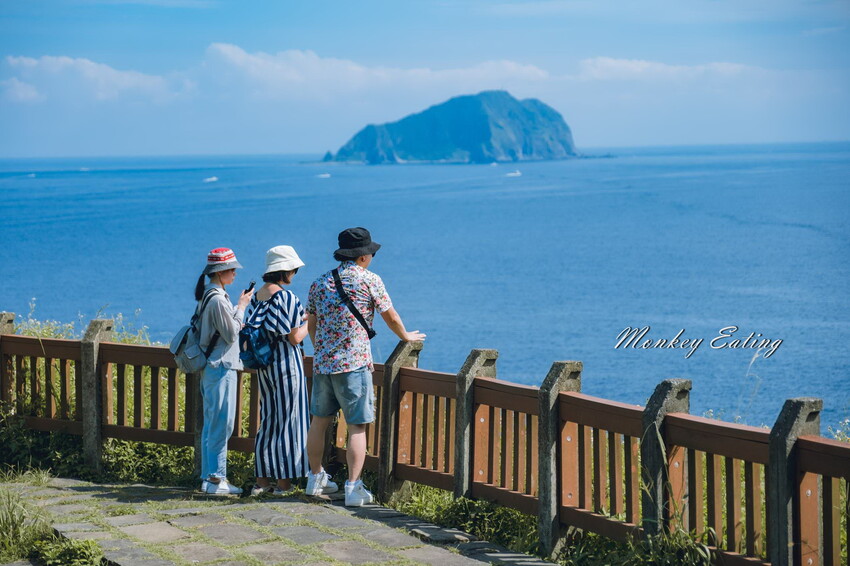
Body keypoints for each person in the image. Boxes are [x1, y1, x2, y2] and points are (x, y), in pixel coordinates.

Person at [305, 227, 425, 506]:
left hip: (324, 363)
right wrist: (406, 336)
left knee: (319, 422)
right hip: (354, 363)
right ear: (362, 256)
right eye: (370, 253)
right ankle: (353, 486)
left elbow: (312, 322)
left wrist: (321, 350)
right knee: (357, 426)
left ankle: (315, 478)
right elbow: (390, 316)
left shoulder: (320, 282)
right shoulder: (369, 280)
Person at [245, 246, 337, 496]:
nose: (295, 274)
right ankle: (283, 484)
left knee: (268, 421)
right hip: (286, 364)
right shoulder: (286, 297)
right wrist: (311, 319)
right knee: (289, 423)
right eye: (293, 270)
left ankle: (261, 482)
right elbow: (294, 337)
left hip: (265, 365)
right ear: (285, 271)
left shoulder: (258, 296)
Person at [196, 247, 253, 496]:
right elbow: (230, 334)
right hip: (221, 366)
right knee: (222, 424)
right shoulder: (218, 299)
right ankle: (216, 479)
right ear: (220, 272)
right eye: (232, 270)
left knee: (212, 424)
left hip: (212, 367)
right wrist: (241, 307)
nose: (235, 274)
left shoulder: (208, 295)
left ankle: (208, 478)